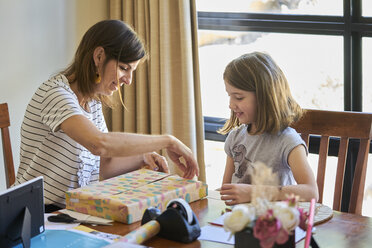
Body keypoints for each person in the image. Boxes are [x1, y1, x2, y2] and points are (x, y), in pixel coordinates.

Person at [14, 20, 199, 212]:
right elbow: (100, 144)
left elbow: (105, 164)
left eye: (131, 71)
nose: (128, 80)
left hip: (71, 213)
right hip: (34, 214)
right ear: (99, 56)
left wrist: (143, 158)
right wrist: (168, 141)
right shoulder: (55, 94)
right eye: (124, 68)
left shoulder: (92, 103)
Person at [219, 52, 318, 206]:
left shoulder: (288, 141)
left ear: (264, 97)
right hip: (239, 221)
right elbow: (225, 192)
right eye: (229, 96)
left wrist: (255, 192)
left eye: (238, 97)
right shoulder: (235, 137)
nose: (231, 105)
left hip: (273, 223)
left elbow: (311, 192)